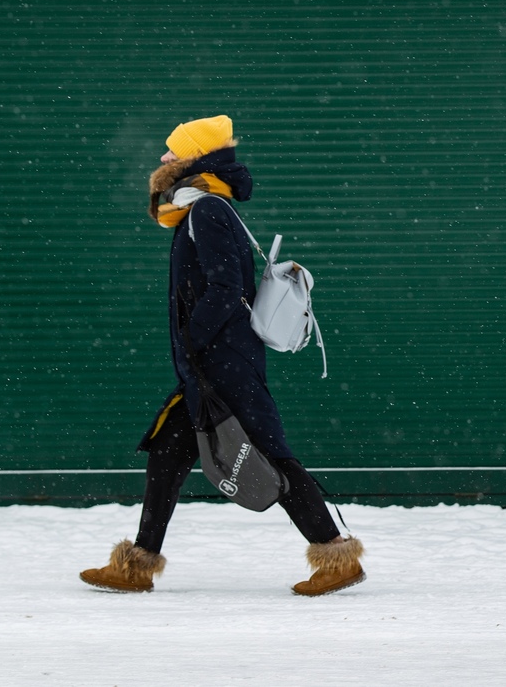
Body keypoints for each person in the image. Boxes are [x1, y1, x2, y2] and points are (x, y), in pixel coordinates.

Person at [80, 115, 364, 597]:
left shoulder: (207, 210)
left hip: (223, 363)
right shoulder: (201, 208)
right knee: (168, 453)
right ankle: (137, 565)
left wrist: (194, 334)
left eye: (173, 151)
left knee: (271, 455)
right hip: (207, 364)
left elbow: (227, 286)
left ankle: (334, 554)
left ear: (195, 159)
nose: (164, 158)